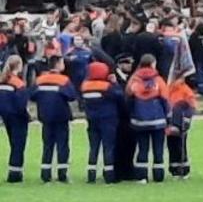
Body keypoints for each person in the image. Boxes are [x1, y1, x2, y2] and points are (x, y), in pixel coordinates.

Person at [31, 55, 76, 183]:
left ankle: (45, 174)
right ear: (58, 65)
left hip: (45, 116)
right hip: (61, 116)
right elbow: (72, 96)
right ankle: (62, 174)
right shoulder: (64, 80)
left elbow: (32, 95)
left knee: (47, 145)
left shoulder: (40, 80)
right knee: (62, 145)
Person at [127, 56, 169, 183]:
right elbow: (165, 99)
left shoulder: (134, 80)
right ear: (152, 64)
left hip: (139, 121)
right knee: (158, 149)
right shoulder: (158, 80)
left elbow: (128, 97)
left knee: (142, 149)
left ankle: (141, 176)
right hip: (158, 120)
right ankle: (158, 176)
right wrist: (168, 117)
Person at [79, 61, 121, 184]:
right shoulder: (107, 87)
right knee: (108, 147)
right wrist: (114, 83)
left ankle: (91, 174)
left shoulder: (85, 86)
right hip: (108, 119)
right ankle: (109, 175)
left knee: (93, 147)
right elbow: (119, 95)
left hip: (92, 119)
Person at [0, 55, 25, 183]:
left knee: (13, 143)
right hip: (17, 117)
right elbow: (21, 103)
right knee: (18, 145)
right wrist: (27, 116)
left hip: (6, 116)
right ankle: (15, 174)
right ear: (19, 65)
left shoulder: (2, 80)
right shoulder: (18, 83)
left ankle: (13, 171)